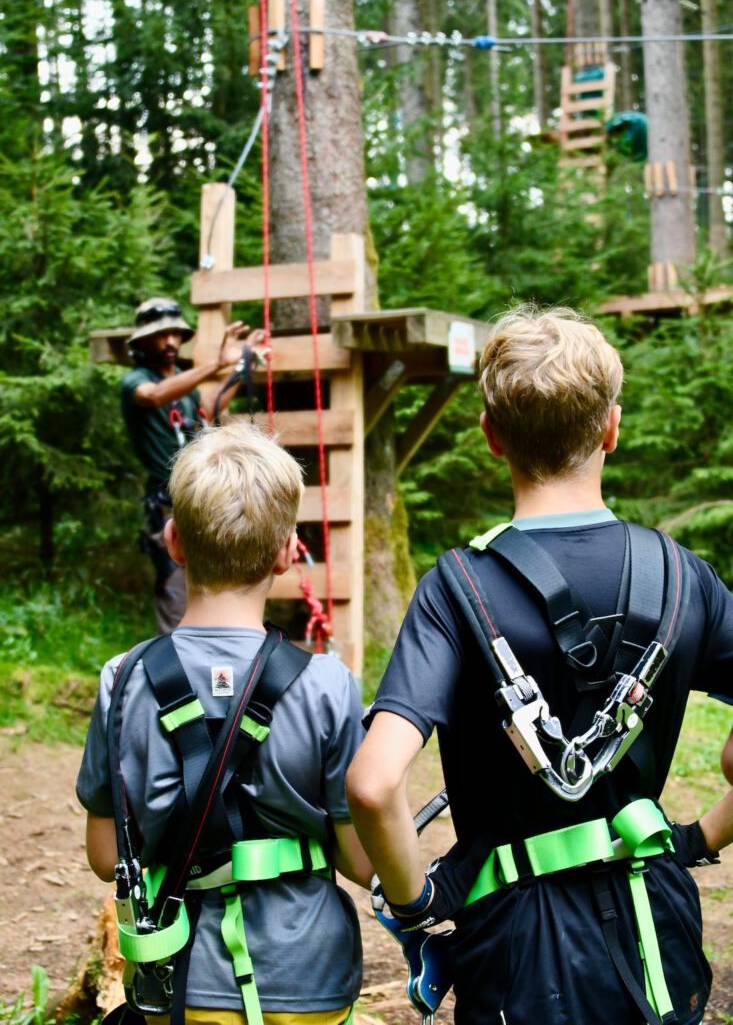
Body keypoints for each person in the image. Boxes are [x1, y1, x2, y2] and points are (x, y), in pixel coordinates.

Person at [346, 305, 733, 1025]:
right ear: (610, 428)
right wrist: (701, 835)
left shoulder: (455, 591)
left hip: (516, 948)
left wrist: (416, 902)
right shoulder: (684, 577)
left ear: (491, 437)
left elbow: (371, 784)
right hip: (657, 928)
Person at [77, 420, 371, 1024]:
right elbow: (361, 864)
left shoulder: (122, 679)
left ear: (173, 539)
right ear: (288, 552)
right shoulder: (327, 684)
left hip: (174, 983)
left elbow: (108, 856)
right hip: (307, 982)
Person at [122, 297, 265, 633]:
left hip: (199, 497)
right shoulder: (136, 381)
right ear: (142, 340)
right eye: (161, 335)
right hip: (166, 504)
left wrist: (243, 365)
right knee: (175, 588)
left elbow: (208, 406)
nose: (170, 342)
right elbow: (154, 396)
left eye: (175, 334)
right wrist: (216, 365)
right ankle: (173, 673)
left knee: (217, 579)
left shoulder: (183, 382)